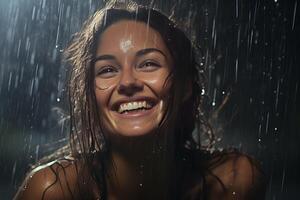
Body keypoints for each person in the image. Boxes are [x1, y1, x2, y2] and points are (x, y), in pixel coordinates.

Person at [14, 1, 266, 199]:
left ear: (186, 85)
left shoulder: (234, 181)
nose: (127, 82)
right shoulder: (51, 191)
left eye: (148, 64)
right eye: (107, 70)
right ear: (91, 96)